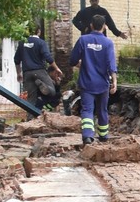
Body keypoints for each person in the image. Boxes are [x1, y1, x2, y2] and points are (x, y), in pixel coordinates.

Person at [69, 13, 118, 145]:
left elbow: (73, 60)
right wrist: (114, 81)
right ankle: (103, 135)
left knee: (87, 110)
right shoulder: (108, 43)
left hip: (87, 83)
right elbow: (111, 64)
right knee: (102, 109)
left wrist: (81, 63)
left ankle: (88, 136)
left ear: (91, 25)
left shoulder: (83, 40)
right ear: (104, 27)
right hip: (102, 83)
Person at [13, 28, 62, 112]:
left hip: (27, 73)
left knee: (30, 99)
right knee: (52, 91)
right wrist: (56, 68)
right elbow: (47, 57)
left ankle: (30, 119)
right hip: (40, 72)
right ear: (39, 31)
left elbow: (16, 60)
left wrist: (19, 73)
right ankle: (44, 86)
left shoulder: (22, 43)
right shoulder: (41, 42)